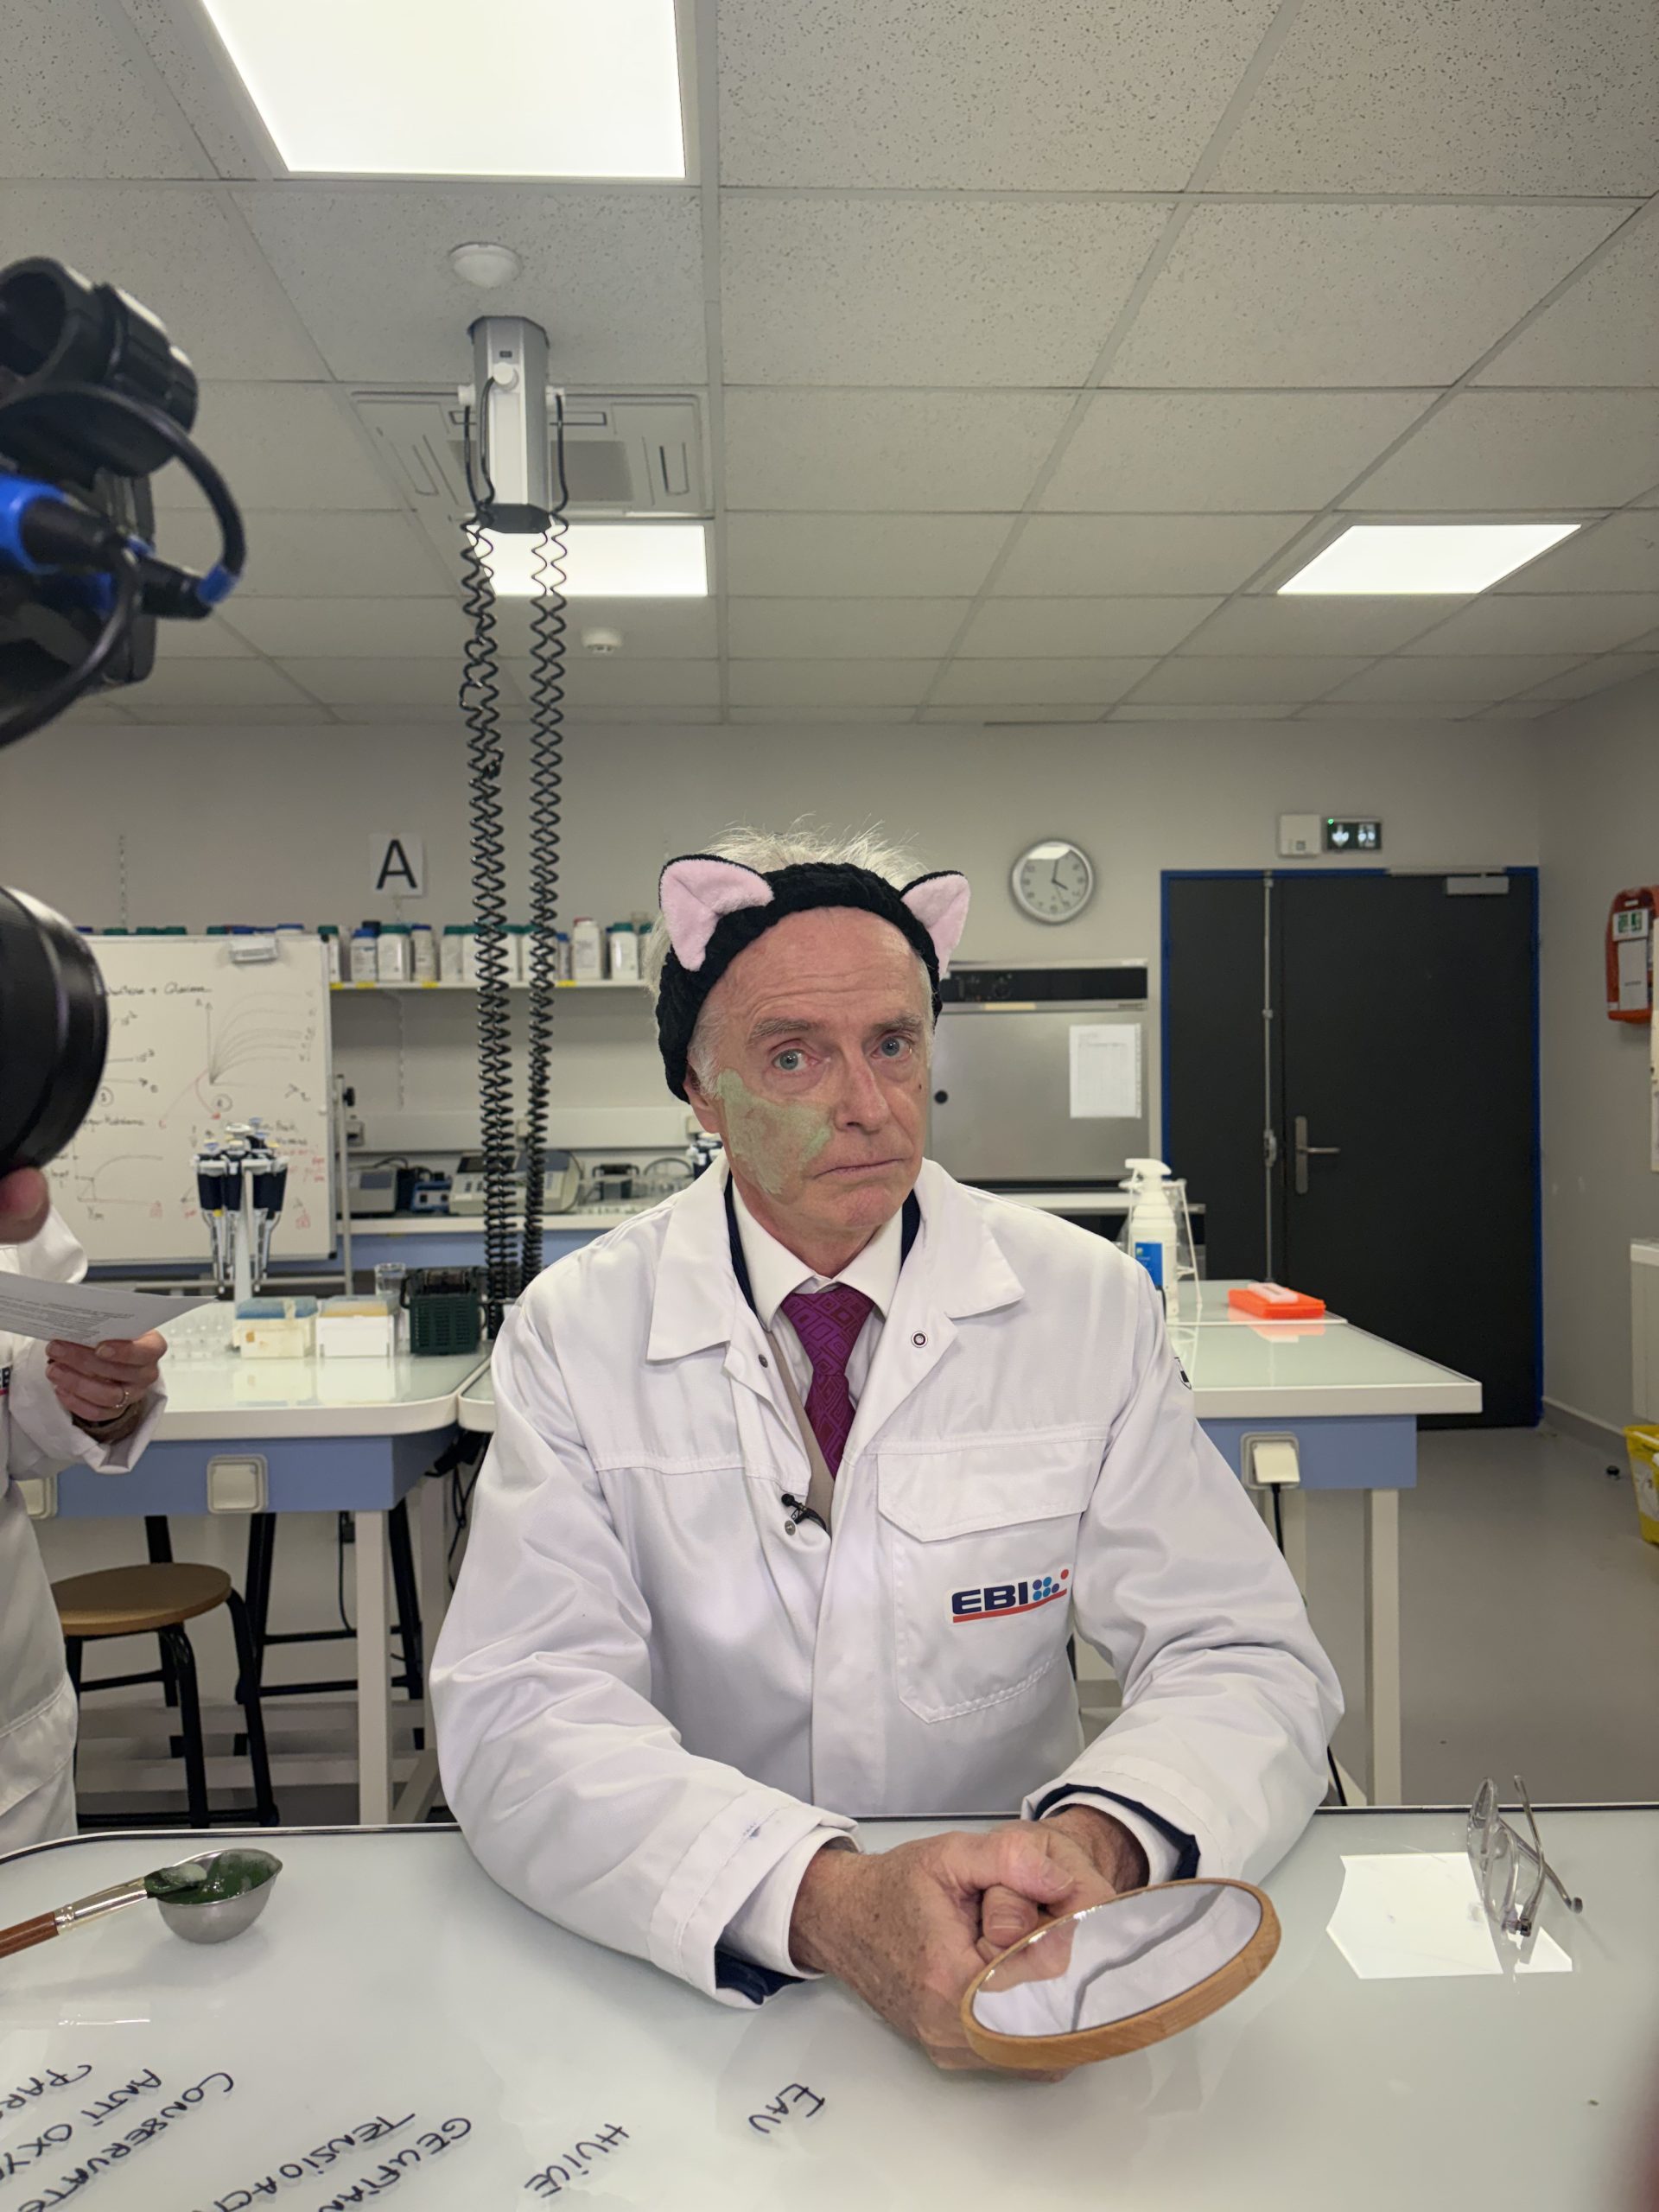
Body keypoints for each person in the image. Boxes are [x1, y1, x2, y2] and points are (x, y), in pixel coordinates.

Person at [433, 827, 1341, 2069]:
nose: (865, 1105)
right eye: (793, 1055)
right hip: (703, 1956)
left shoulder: (1081, 1307)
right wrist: (824, 1898)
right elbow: (524, 1706)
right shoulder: (579, 1331)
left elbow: (1240, 1651)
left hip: (1028, 1951)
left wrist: (1095, 1843)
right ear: (700, 1089)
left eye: (894, 1045)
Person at [0, 1163, 167, 1852]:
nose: (25, 1198)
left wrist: (102, 1396)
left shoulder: (11, 1188)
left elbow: (27, 1411)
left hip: (11, 1743)